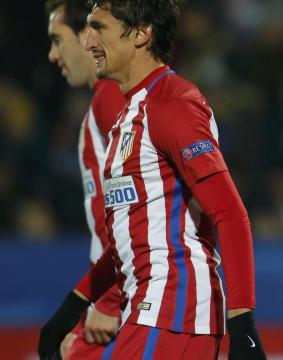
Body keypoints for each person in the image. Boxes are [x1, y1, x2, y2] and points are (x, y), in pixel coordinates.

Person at [38, 1, 266, 359]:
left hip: (175, 307)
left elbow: (230, 214)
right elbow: (131, 237)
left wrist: (243, 325)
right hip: (150, 308)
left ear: (142, 33)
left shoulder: (172, 104)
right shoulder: (129, 113)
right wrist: (70, 308)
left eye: (99, 28)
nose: (87, 43)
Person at [45, 0, 124, 358]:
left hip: (130, 297)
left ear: (85, 37)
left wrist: (107, 302)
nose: (52, 54)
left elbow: (137, 199)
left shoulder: (111, 97)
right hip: (123, 289)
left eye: (57, 40)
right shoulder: (104, 100)